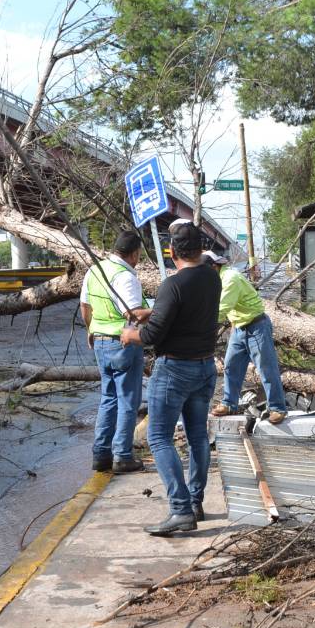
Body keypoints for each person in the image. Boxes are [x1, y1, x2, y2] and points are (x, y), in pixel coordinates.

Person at [121, 221, 221, 536]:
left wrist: (130, 332)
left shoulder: (172, 285)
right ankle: (195, 503)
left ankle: (180, 510)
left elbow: (150, 337)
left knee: (159, 437)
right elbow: (187, 313)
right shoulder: (211, 278)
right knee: (197, 437)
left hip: (175, 370)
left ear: (172, 252)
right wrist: (152, 312)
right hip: (205, 368)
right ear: (201, 249)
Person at [80, 231, 150, 473]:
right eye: (139, 254)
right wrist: (161, 308)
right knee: (128, 401)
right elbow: (133, 313)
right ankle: (122, 455)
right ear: (134, 254)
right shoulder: (125, 277)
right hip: (123, 343)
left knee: (108, 398)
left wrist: (91, 329)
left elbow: (85, 306)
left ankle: (101, 455)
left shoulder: (94, 270)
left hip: (99, 341)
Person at [207, 252, 287, 424]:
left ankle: (277, 407)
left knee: (266, 368)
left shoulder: (230, 279)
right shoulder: (216, 279)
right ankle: (229, 404)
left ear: (213, 266)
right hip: (239, 327)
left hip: (255, 326)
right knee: (231, 366)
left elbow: (221, 309)